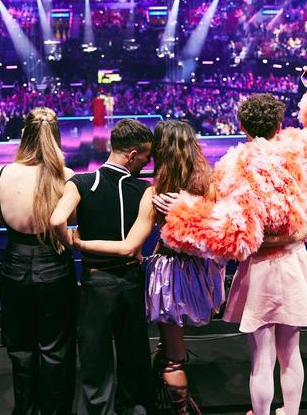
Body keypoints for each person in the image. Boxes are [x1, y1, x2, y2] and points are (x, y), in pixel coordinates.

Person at [154, 65, 307, 415]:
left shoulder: (233, 166)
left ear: (242, 127)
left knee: (262, 356)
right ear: (279, 124)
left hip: (259, 268)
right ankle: (290, 413)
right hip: (293, 262)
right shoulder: (301, 149)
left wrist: (183, 209)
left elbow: (224, 232)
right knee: (292, 352)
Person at [69, 120, 224, 414]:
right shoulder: (210, 184)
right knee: (166, 349)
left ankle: (178, 407)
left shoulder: (157, 190)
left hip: (170, 277)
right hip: (202, 273)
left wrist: (81, 244)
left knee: (173, 355)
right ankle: (157, 394)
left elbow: (134, 244)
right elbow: (218, 231)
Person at [50, 119, 155, 415]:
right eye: (146, 156)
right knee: (132, 358)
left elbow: (57, 220)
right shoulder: (144, 190)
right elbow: (130, 247)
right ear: (133, 155)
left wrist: (74, 243)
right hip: (129, 282)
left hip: (96, 284)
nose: (147, 162)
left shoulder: (81, 182)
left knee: (95, 363)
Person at [0, 107, 77, 414]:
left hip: (14, 264)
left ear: (24, 134)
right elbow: (71, 221)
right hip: (53, 263)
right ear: (56, 136)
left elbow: (0, 216)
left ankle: (25, 409)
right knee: (55, 348)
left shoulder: (0, 174)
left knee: (20, 348)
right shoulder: (66, 177)